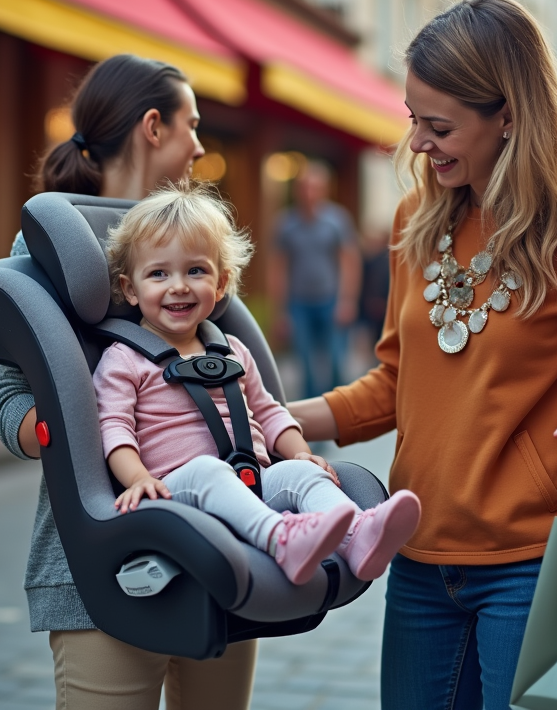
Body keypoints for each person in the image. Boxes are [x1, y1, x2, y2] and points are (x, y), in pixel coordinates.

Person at [287, 0, 557, 710]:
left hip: (541, 561)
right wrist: (278, 418)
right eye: (414, 121)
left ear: (509, 115)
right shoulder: (417, 220)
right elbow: (397, 381)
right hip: (418, 557)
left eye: (439, 126)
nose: (419, 144)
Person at [0, 54, 254, 710]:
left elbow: (246, 376)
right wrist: (77, 425)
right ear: (153, 126)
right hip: (98, 563)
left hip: (222, 545)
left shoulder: (195, 240)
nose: (199, 145)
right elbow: (8, 404)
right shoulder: (50, 248)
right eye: (191, 126)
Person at [97, 186, 421, 586]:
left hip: (248, 480)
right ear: (130, 289)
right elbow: (113, 428)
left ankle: (358, 535)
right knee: (206, 471)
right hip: (175, 494)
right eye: (159, 273)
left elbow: (267, 411)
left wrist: (300, 453)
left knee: (303, 475)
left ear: (220, 284)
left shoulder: (231, 350)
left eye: (196, 271)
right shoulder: (124, 358)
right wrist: (138, 479)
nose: (178, 286)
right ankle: (282, 539)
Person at [270, 161, 361, 398]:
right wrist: (281, 311)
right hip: (299, 304)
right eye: (305, 187)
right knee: (306, 366)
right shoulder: (286, 224)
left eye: (315, 187)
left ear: (324, 190)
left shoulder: (338, 220)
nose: (309, 192)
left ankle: (339, 417)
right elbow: (278, 269)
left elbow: (349, 263)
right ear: (297, 190)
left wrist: (347, 301)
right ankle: (314, 426)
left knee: (336, 362)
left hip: (331, 299)